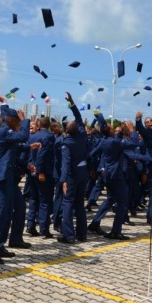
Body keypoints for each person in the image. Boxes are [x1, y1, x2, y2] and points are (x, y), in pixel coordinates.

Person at [0, 92, 30, 264]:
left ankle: (5, 243)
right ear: (11, 121)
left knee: (17, 206)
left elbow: (5, 113)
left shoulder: (6, 125)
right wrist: (25, 120)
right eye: (16, 120)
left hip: (9, 177)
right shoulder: (4, 131)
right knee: (2, 214)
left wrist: (4, 102)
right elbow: (23, 136)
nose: (18, 122)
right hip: (2, 179)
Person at [57, 92, 89, 244]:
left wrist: (63, 180)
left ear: (66, 131)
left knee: (68, 204)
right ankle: (82, 234)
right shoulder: (82, 134)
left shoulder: (66, 143)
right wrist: (72, 102)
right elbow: (79, 118)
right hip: (83, 173)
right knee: (80, 204)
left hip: (72, 175)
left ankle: (68, 235)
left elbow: (66, 163)